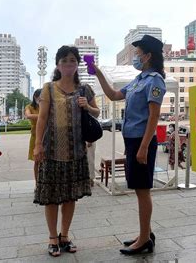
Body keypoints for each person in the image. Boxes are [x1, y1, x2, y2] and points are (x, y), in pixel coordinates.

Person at [92, 34, 166, 255]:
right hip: (133, 141)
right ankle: (146, 233)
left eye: (138, 53)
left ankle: (144, 240)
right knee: (138, 189)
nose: (135, 57)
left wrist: (143, 147)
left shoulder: (155, 81)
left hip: (143, 142)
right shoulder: (139, 79)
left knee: (143, 191)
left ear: (148, 55)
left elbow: (153, 117)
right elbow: (115, 95)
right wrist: (100, 74)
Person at [33, 45, 99, 257]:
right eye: (64, 60)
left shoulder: (85, 89)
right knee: (51, 196)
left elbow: (97, 112)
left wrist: (87, 107)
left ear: (77, 63)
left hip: (76, 151)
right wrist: (38, 145)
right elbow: (42, 118)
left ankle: (65, 235)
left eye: (72, 60)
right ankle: (52, 237)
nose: (68, 64)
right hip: (52, 151)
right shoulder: (49, 88)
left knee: (70, 197)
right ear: (57, 64)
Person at [25, 89, 42, 182]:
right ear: (35, 96)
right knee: (37, 161)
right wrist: (43, 116)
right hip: (35, 136)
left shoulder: (46, 105)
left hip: (46, 135)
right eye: (41, 96)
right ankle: (37, 182)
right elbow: (28, 116)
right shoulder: (29, 107)